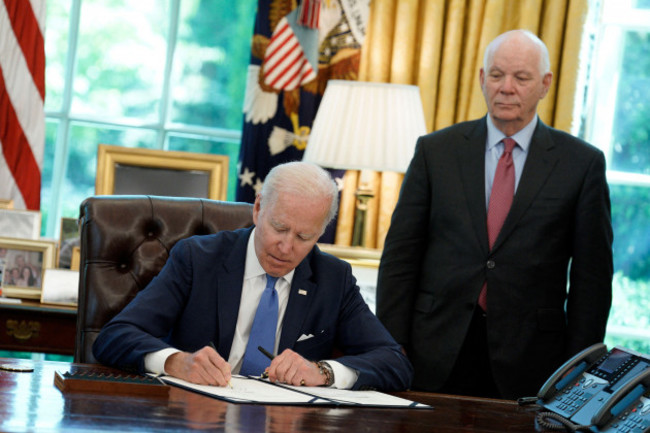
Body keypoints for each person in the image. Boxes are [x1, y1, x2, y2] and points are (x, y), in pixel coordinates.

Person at [376, 29, 613, 399]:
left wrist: (576, 370)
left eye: (521, 78)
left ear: (545, 84)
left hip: (533, 363)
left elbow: (592, 282)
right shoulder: (435, 152)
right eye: (497, 75)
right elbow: (400, 259)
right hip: (432, 352)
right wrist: (389, 346)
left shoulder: (581, 164)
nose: (507, 87)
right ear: (482, 79)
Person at [93, 161, 413, 391]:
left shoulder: (333, 278)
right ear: (258, 208)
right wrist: (175, 361)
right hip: (194, 417)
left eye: (304, 237)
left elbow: (394, 363)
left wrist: (324, 372)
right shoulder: (197, 259)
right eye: (279, 227)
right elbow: (114, 336)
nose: (286, 247)